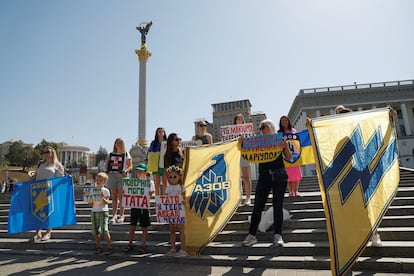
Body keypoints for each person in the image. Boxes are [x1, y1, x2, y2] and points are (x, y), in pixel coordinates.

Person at [242, 119, 292, 247]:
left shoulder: (279, 140)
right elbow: (247, 154)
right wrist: (242, 144)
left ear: (270, 127)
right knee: (258, 206)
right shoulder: (258, 142)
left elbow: (289, 157)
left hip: (279, 174)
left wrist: (285, 147)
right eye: (260, 128)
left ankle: (278, 235)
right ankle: (252, 235)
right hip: (264, 176)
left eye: (263, 127)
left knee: (277, 205)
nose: (261, 129)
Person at [32, 146, 65, 242]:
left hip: (50, 191)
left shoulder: (57, 165)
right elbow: (35, 176)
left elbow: (60, 179)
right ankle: (37, 231)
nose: (45, 154)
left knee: (49, 212)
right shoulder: (41, 164)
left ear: (52, 153)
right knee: (37, 210)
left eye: (47, 152)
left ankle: (48, 231)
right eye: (44, 152)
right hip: (37, 190)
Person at [123, 163, 155, 254]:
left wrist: (150, 195)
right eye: (138, 172)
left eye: (141, 171)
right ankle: (130, 244)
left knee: (144, 227)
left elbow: (153, 193)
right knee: (132, 226)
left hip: (144, 207)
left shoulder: (150, 182)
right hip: (135, 206)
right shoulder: (133, 183)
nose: (139, 173)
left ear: (146, 172)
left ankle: (143, 245)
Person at [106, 138, 133, 224]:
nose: (118, 144)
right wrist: (107, 169)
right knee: (114, 196)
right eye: (117, 143)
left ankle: (122, 215)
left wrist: (126, 170)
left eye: (120, 143)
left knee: (121, 196)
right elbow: (107, 163)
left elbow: (130, 166)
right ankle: (114, 215)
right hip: (112, 175)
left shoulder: (126, 154)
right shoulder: (111, 154)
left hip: (122, 175)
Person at [278, 115, 303, 197]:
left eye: (286, 120)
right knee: (287, 174)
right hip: (284, 156)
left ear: (288, 121)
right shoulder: (278, 133)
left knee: (296, 173)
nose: (285, 122)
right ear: (280, 123)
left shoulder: (293, 131)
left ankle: (296, 191)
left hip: (294, 155)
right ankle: (291, 191)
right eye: (283, 121)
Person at [165, 165, 187, 257]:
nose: (173, 178)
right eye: (170, 177)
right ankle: (173, 248)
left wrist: (183, 201)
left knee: (181, 230)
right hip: (171, 211)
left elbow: (185, 199)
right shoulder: (168, 188)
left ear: (179, 177)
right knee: (172, 230)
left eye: (175, 176)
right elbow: (165, 199)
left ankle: (183, 249)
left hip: (180, 211)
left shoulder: (181, 187)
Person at [90, 172, 113, 255]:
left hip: (103, 211)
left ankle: (109, 246)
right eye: (97, 180)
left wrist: (102, 196)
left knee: (104, 229)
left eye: (100, 180)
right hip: (94, 211)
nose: (98, 182)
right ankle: (98, 246)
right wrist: (90, 199)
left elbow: (106, 202)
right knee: (95, 230)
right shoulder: (93, 190)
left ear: (105, 182)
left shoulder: (106, 190)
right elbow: (91, 204)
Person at [233, 113, 252, 205]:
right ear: (235, 121)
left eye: (241, 119)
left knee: (246, 177)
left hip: (245, 155)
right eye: (238, 119)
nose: (239, 120)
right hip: (235, 155)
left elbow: (252, 141)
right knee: (236, 178)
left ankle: (248, 197)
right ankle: (238, 198)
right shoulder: (231, 132)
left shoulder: (247, 130)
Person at [148, 127, 168, 195]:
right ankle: (157, 201)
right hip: (156, 165)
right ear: (157, 133)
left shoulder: (167, 142)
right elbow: (150, 153)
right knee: (157, 184)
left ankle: (165, 199)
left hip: (165, 164)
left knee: (165, 183)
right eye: (159, 131)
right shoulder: (153, 143)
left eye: (163, 131)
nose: (161, 132)